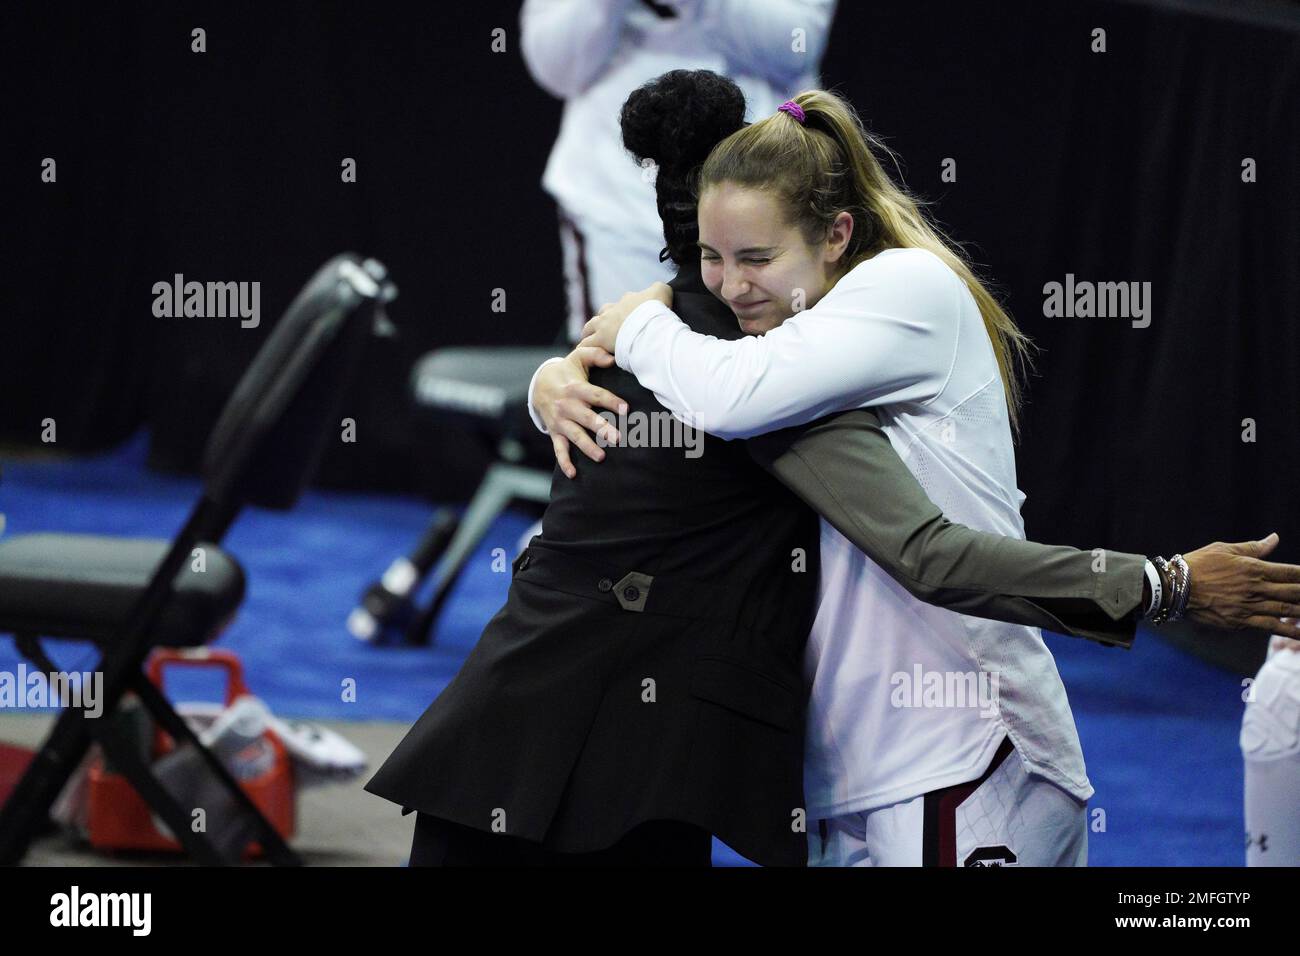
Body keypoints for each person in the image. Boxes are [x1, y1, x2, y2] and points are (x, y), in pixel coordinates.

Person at [543, 85, 1300, 865]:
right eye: (712, 257)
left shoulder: (904, 289)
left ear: (837, 234)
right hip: (856, 782)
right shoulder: (774, 336)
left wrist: (637, 322)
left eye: (757, 259)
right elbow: (709, 371)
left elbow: (742, 404)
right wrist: (555, 382)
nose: (731, 286)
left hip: (967, 758)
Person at [521, 0, 836, 342]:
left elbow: (796, 44)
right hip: (616, 197)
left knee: (769, 356)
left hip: (759, 183)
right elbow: (554, 66)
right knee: (621, 358)